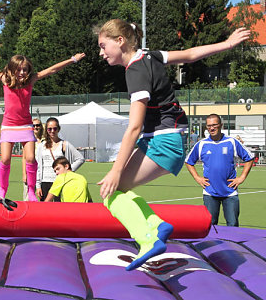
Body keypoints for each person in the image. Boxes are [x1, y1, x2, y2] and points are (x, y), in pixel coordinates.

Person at [96, 19, 250, 271]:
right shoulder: (150, 55)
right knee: (116, 191)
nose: (101, 53)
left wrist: (115, 169)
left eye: (103, 46)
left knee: (112, 193)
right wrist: (227, 44)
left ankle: (148, 239)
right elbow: (189, 55)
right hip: (162, 138)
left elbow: (133, 127)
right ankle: (157, 226)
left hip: (163, 141)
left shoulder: (135, 71)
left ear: (120, 41)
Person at [0, 53, 85, 201]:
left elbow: (52, 70)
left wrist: (72, 60)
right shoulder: (5, 79)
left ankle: (31, 191)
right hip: (8, 126)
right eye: (19, 69)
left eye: (25, 69)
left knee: (30, 158)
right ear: (12, 69)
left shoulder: (30, 80)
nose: (22, 73)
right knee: (5, 159)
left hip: (25, 125)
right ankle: (2, 189)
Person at [185, 114, 253, 227]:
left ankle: (233, 245)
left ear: (221, 125)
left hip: (230, 191)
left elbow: (249, 158)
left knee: (233, 224)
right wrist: (197, 178)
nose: (212, 128)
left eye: (214, 125)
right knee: (210, 225)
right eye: (209, 126)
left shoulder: (232, 142)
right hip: (210, 192)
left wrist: (242, 177)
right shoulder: (202, 144)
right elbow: (189, 161)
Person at [36, 117, 84, 201]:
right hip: (45, 182)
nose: (52, 131)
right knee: (45, 210)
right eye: (49, 129)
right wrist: (38, 185)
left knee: (59, 209)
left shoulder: (65, 144)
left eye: (55, 128)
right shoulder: (41, 145)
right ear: (46, 130)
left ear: (58, 129)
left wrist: (69, 170)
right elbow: (39, 166)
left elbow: (80, 159)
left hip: (60, 181)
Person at [21, 118, 43, 201]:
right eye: (33, 125)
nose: (36, 127)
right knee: (27, 198)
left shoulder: (45, 140)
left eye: (38, 125)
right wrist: (24, 174)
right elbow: (24, 158)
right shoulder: (27, 141)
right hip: (30, 171)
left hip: (41, 172)